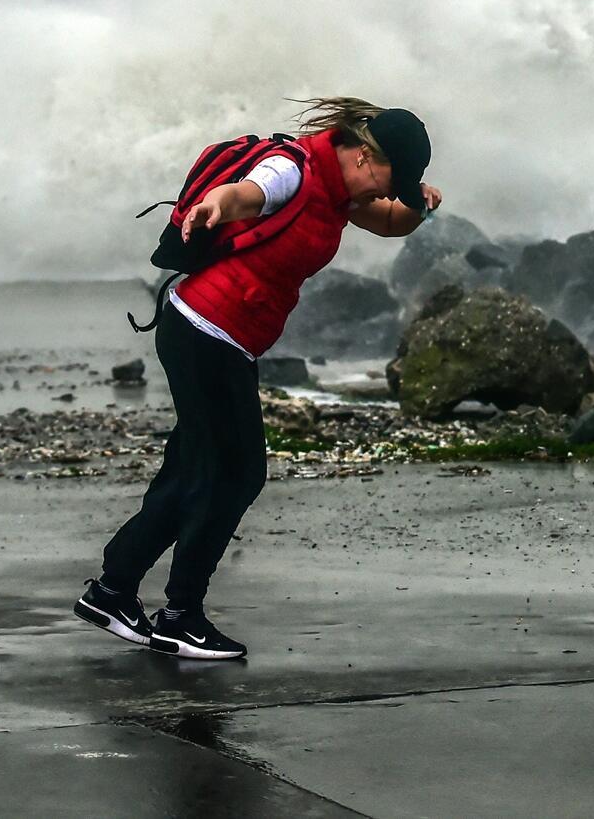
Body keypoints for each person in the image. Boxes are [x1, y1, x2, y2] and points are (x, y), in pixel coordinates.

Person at [75, 97, 441, 660]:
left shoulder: (339, 192)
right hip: (204, 330)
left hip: (218, 336)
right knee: (235, 474)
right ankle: (180, 616)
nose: (390, 192)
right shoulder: (293, 169)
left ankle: (112, 590)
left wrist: (418, 202)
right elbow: (248, 192)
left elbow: (393, 223)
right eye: (397, 178)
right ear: (366, 156)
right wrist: (215, 205)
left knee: (194, 468)